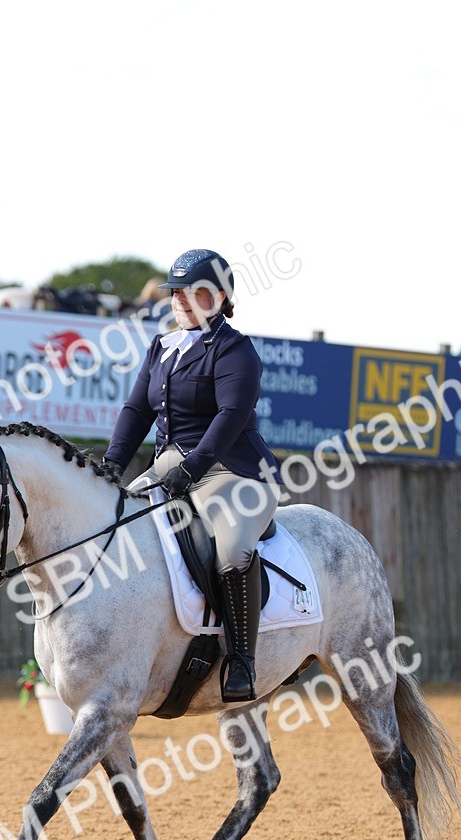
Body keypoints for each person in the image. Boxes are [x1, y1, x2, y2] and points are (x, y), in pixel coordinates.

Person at [102, 248, 280, 703]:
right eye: (175, 291)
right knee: (112, 528)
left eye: (192, 291)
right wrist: (113, 464)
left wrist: (193, 467)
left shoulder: (235, 350)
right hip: (170, 467)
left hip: (232, 472)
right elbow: (136, 410)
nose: (180, 299)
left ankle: (241, 660)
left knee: (233, 550)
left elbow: (231, 415)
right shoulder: (162, 347)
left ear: (219, 297)